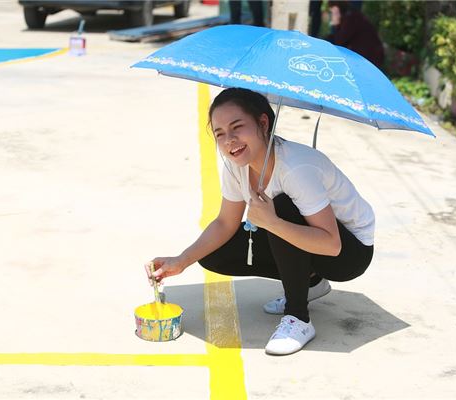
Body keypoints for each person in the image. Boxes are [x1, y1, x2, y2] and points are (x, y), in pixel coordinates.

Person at [146, 88, 375, 356]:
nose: (229, 140)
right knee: (212, 253)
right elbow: (224, 223)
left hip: (348, 253)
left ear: (263, 123)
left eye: (237, 127)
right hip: (312, 242)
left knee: (280, 206)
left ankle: (298, 318)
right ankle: (311, 281)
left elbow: (332, 245)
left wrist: (272, 222)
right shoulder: (237, 164)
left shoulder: (296, 168)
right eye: (220, 133)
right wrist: (181, 260)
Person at [326, 1, 384, 70]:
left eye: (332, 12)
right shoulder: (352, 16)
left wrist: (336, 24)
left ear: (336, 9)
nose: (331, 15)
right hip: (366, 57)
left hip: (367, 59)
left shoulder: (351, 18)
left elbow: (339, 42)